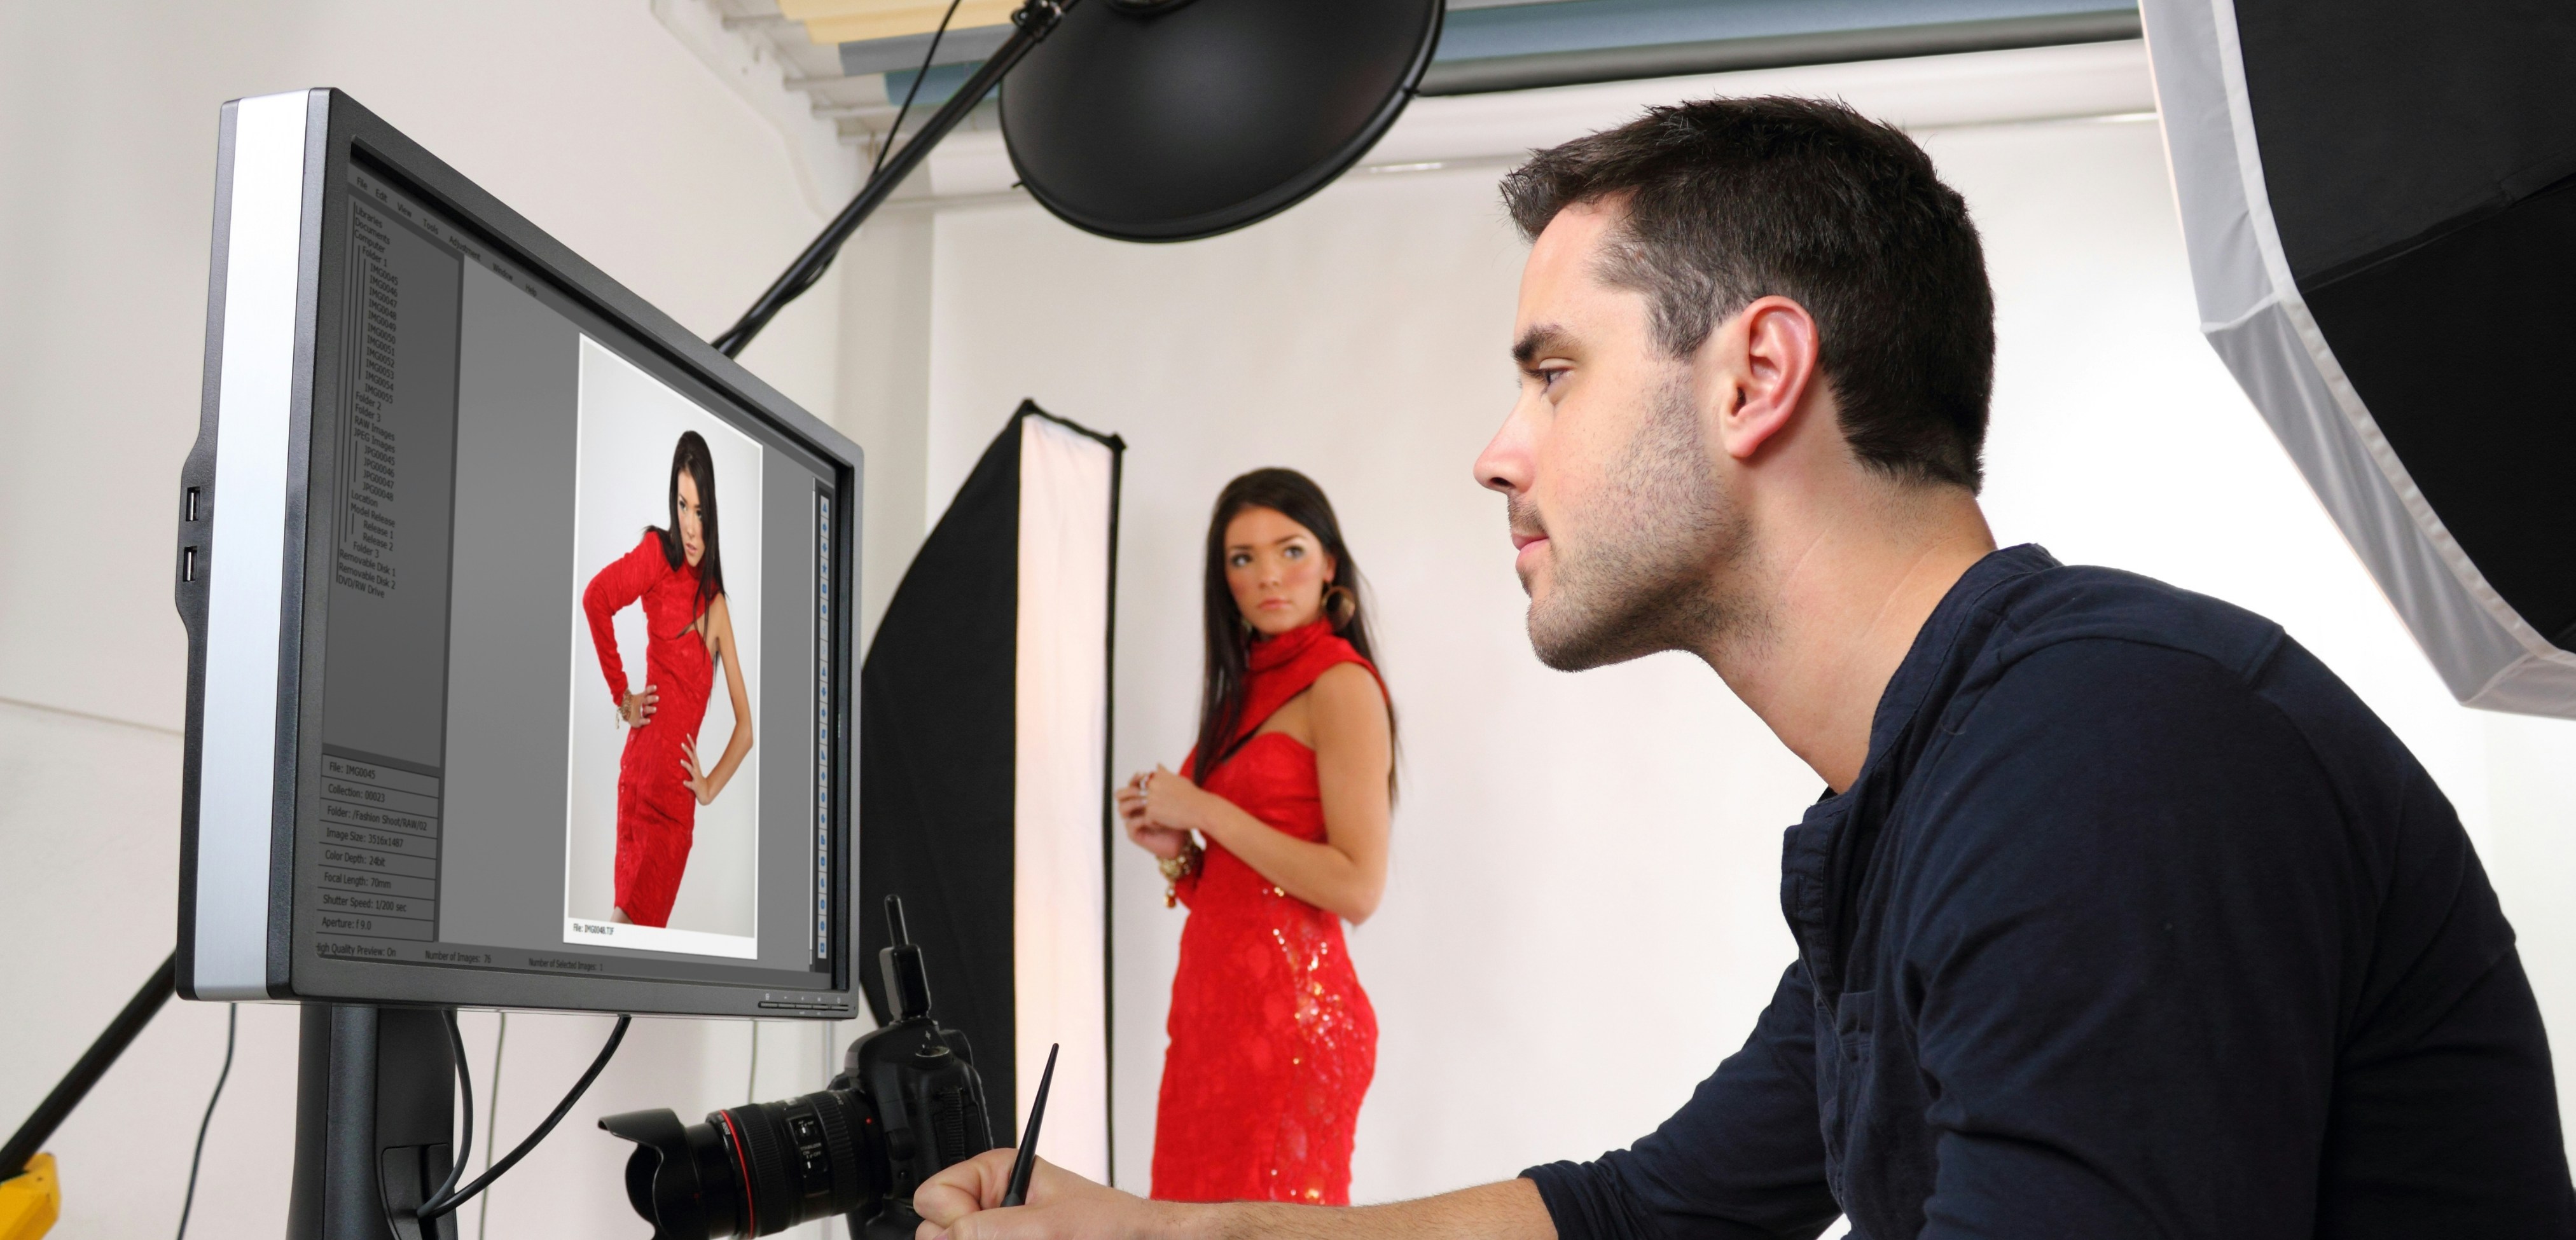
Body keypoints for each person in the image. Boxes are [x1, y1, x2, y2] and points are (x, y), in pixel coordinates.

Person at [920, 97, 2575, 1238]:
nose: (1498, 451)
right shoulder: (1918, 808)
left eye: (1553, 372)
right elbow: (1645, 1213)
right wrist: (1148, 1228)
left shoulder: (2107, 761)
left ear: (1756, 373)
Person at [1116, 467, 1397, 1206]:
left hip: (1291, 1027)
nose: (1268, 574)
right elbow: (1246, 891)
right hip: (1212, 1022)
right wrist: (1178, 854)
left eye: (1290, 550)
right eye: (1243, 558)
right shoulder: (1241, 690)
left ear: (1329, 564)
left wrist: (1206, 812)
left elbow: (1358, 887)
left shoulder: (1341, 685)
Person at [581, 431, 755, 928]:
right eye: (682, 506)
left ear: (712, 514)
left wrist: (708, 787)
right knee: (621, 935)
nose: (691, 527)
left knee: (626, 936)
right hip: (637, 782)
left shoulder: (716, 606)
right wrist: (623, 698)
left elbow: (746, 729)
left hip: (673, 811)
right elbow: (596, 599)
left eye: (700, 511)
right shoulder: (658, 554)